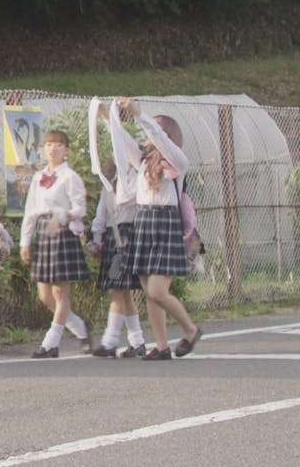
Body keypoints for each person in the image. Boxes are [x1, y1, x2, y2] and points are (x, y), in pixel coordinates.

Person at [104, 99, 204, 360]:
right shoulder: (144, 161)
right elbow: (123, 142)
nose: (147, 135)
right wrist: (108, 117)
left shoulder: (177, 162)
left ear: (167, 135)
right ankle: (161, 346)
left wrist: (140, 114)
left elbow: (158, 136)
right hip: (144, 221)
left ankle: (190, 329)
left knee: (157, 291)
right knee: (149, 292)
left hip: (165, 222)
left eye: (154, 130)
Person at [18, 129, 92, 357]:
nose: (53, 149)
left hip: (61, 232)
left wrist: (62, 216)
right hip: (42, 232)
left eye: (58, 145)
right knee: (45, 296)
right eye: (49, 144)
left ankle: (50, 343)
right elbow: (31, 210)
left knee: (60, 293)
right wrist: (25, 241)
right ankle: (81, 328)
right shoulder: (38, 177)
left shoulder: (70, 177)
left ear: (66, 150)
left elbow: (80, 208)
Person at [87, 102, 146, 358]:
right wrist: (96, 238)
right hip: (113, 237)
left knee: (117, 290)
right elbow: (101, 215)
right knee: (122, 291)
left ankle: (110, 340)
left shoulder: (138, 180)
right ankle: (137, 341)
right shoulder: (108, 185)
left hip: (128, 235)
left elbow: (132, 202)